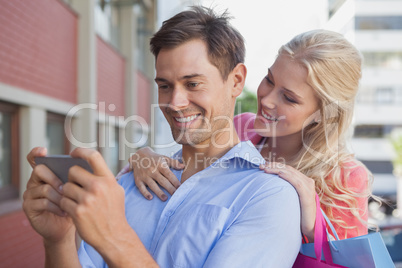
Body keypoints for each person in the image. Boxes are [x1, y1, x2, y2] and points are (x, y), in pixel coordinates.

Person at [23, 6, 301, 267]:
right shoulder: (132, 181)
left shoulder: (270, 196)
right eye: (165, 86)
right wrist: (58, 240)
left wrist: (115, 237)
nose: (175, 102)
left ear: (236, 80)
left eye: (193, 84)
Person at [121, 29, 375, 241]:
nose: (266, 99)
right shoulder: (243, 128)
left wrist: (312, 225)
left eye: (289, 98)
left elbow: (348, 262)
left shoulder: (346, 178)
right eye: (269, 80)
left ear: (322, 112)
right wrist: (145, 158)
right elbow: (190, 171)